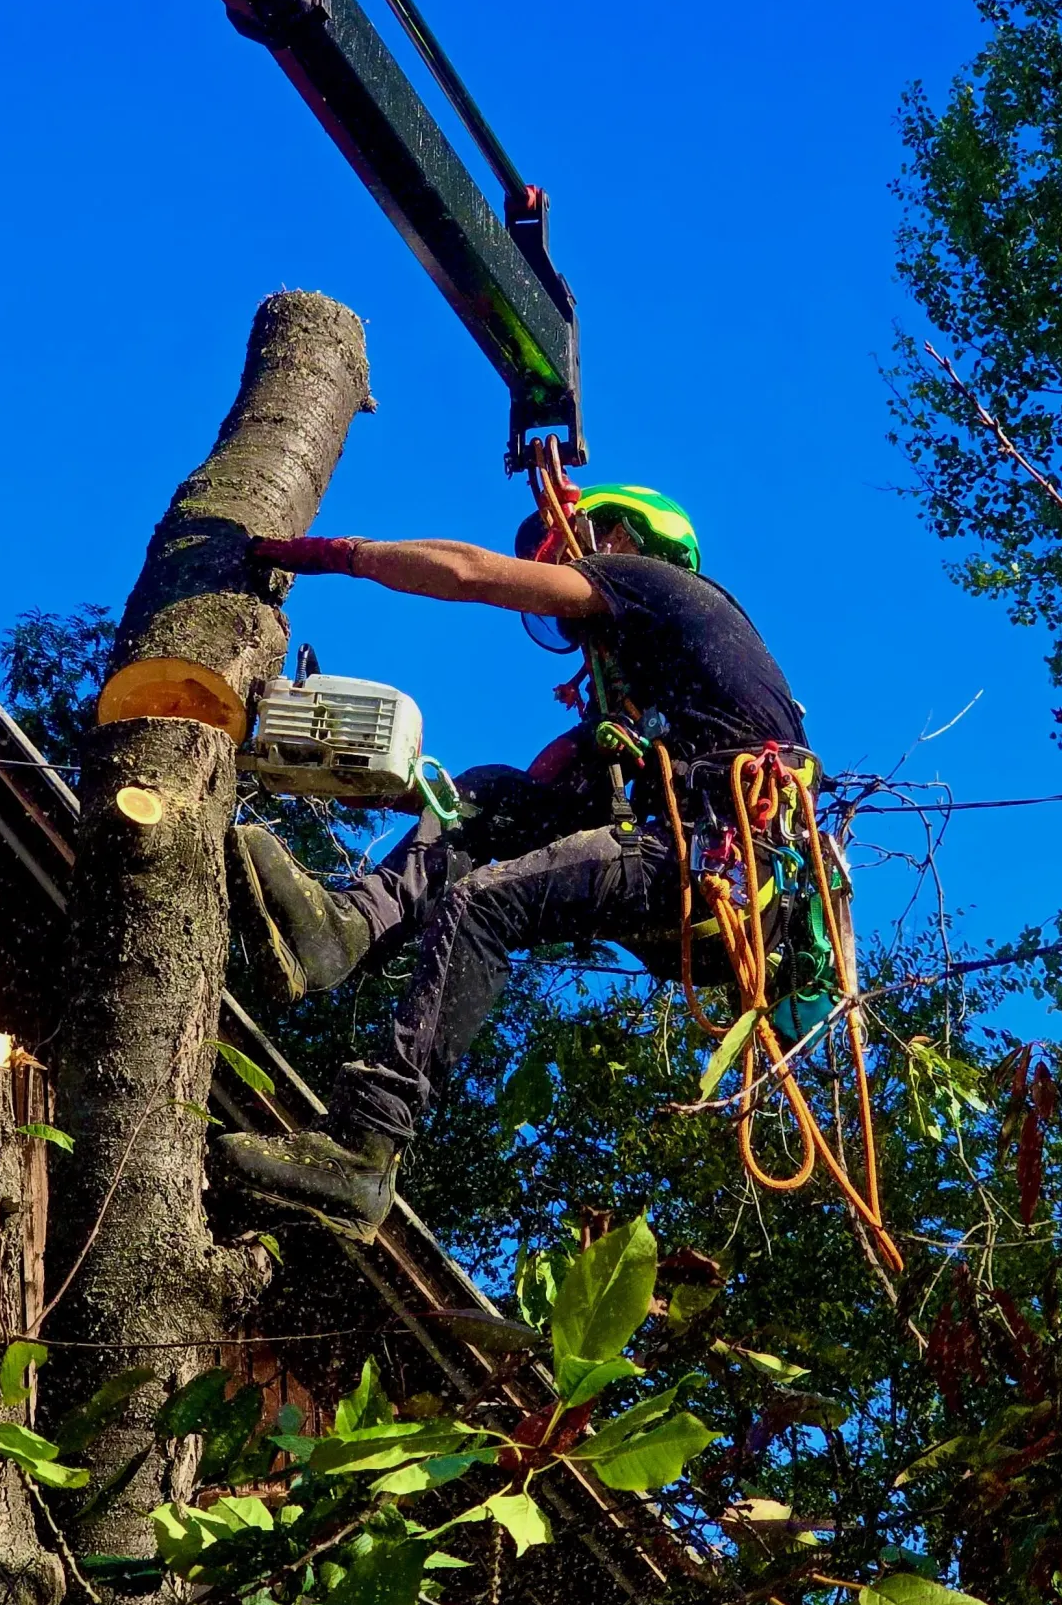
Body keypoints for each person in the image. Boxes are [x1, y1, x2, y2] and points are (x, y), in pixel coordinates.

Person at [216, 485, 808, 1237]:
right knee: (491, 794)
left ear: (618, 536)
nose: (556, 580)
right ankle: (340, 932)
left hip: (717, 860)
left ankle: (364, 1148)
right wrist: (379, 777)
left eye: (563, 555)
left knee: (485, 904)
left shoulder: (656, 584)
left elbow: (468, 572)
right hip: (693, 860)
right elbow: (524, 805)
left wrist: (341, 555)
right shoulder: (642, 701)